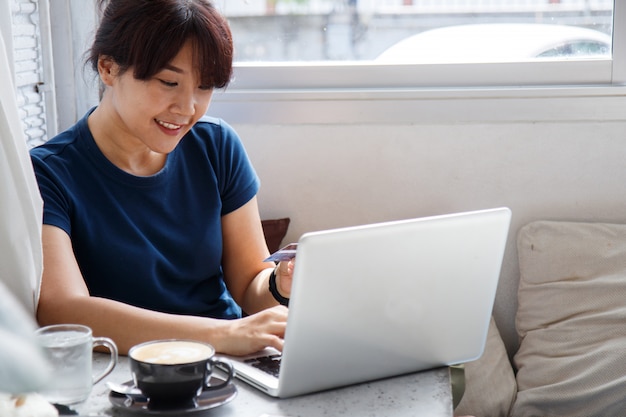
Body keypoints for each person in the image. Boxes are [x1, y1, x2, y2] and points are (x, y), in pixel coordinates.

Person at [30, 0, 293, 356]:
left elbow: (249, 282)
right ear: (108, 68)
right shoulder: (48, 172)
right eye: (169, 82)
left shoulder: (216, 145)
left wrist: (279, 282)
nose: (188, 109)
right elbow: (63, 309)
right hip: (130, 369)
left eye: (204, 87)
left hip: (229, 363)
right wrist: (220, 335)